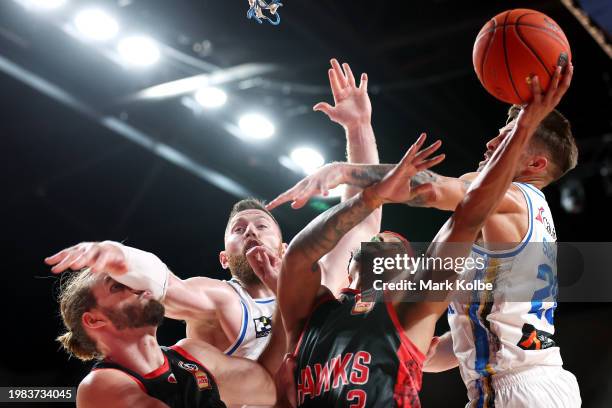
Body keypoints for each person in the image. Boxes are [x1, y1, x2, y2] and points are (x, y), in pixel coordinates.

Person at [271, 65, 580, 407]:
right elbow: (489, 329)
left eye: (507, 137)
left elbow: (433, 188)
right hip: (537, 382)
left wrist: (345, 172)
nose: (491, 142)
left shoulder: (510, 199)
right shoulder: (532, 214)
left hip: (514, 388)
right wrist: (414, 348)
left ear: (535, 166)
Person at [46, 58, 382, 360]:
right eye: (238, 230)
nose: (250, 230)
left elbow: (363, 224)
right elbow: (170, 289)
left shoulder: (321, 279)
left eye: (262, 227)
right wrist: (121, 257)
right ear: (224, 258)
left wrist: (358, 128)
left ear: (284, 248)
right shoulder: (223, 299)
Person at [54, 268, 285, 407]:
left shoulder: (193, 354)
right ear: (94, 320)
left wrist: (285, 296)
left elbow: (270, 387)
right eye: (117, 287)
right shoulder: (100, 386)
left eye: (134, 281)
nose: (137, 288)